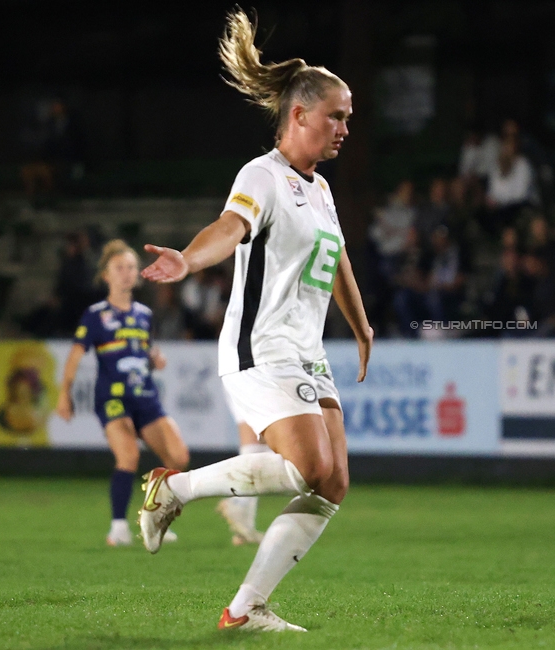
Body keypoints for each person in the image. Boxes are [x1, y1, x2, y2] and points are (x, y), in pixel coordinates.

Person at [135, 11, 373, 633]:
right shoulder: (260, 176)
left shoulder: (319, 191)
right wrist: (188, 258)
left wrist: (363, 326)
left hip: (306, 350)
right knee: (308, 469)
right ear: (298, 115)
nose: (346, 126)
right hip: (259, 347)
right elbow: (230, 228)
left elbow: (337, 258)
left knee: (333, 483)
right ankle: (175, 489)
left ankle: (245, 610)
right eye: (337, 115)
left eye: (348, 116)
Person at [55, 239, 190, 547]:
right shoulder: (96, 314)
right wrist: (65, 393)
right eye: (120, 268)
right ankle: (117, 527)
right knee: (128, 455)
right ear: (106, 275)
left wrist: (155, 360)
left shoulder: (144, 314)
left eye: (131, 267)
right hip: (113, 398)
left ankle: (155, 516)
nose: (127, 273)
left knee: (178, 456)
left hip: (145, 396)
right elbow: (75, 356)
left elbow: (145, 353)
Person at [215, 398, 266, 546]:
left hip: (252, 376)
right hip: (253, 376)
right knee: (257, 436)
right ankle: (238, 500)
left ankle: (245, 524)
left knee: (261, 442)